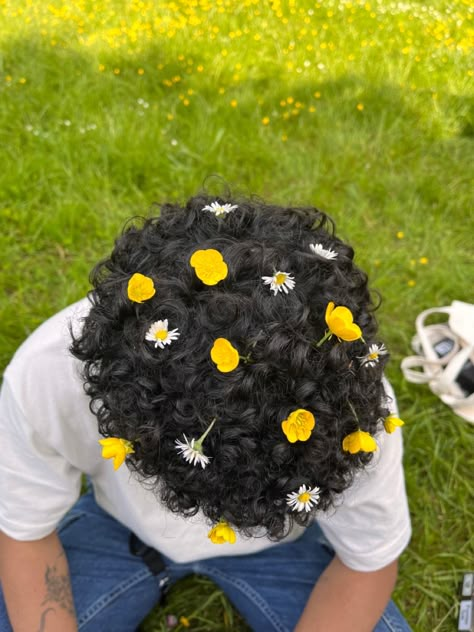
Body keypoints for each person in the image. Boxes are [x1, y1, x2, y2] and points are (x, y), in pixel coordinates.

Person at [0, 195, 412, 632]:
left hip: (282, 547)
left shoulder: (347, 403)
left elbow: (367, 562)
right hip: (121, 532)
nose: (215, 525)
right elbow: (24, 534)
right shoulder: (47, 374)